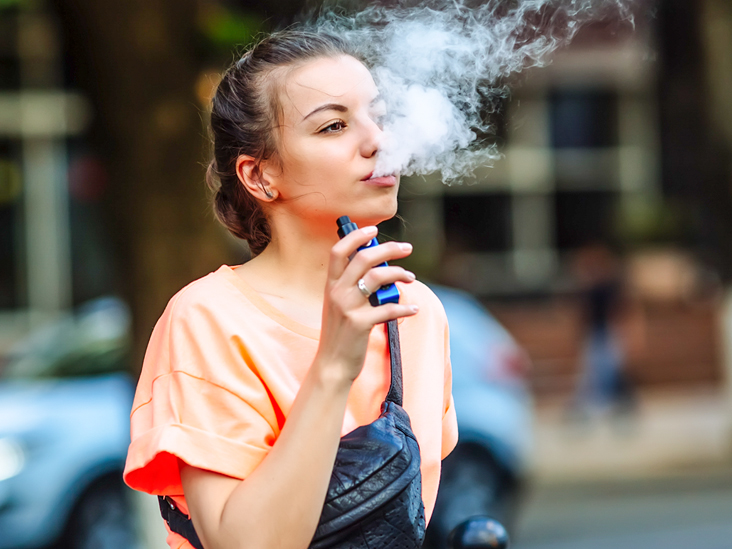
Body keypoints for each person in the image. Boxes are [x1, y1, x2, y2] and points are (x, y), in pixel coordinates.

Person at [123, 30, 458, 549]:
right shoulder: (207, 320)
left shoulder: (418, 314)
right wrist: (333, 366)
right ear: (260, 176)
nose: (378, 140)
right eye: (333, 125)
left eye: (379, 116)